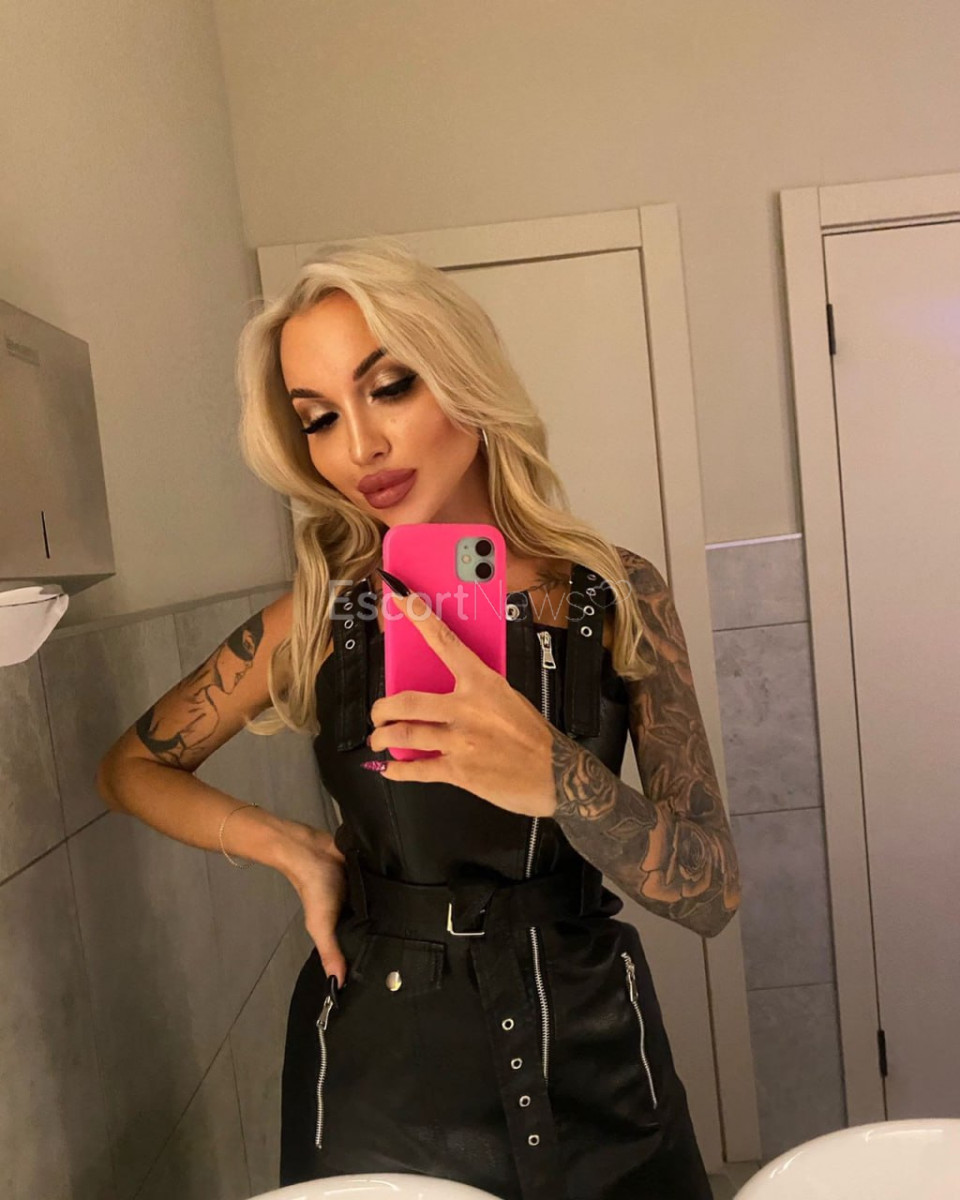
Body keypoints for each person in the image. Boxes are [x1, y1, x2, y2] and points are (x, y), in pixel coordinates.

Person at [97, 238, 741, 1200]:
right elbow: (129, 767)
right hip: (382, 1087)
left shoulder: (615, 596)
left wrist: (557, 779)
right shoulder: (321, 617)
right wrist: (288, 849)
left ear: (465, 380)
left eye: (389, 387)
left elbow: (711, 892)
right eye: (319, 418)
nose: (359, 447)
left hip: (600, 1065)